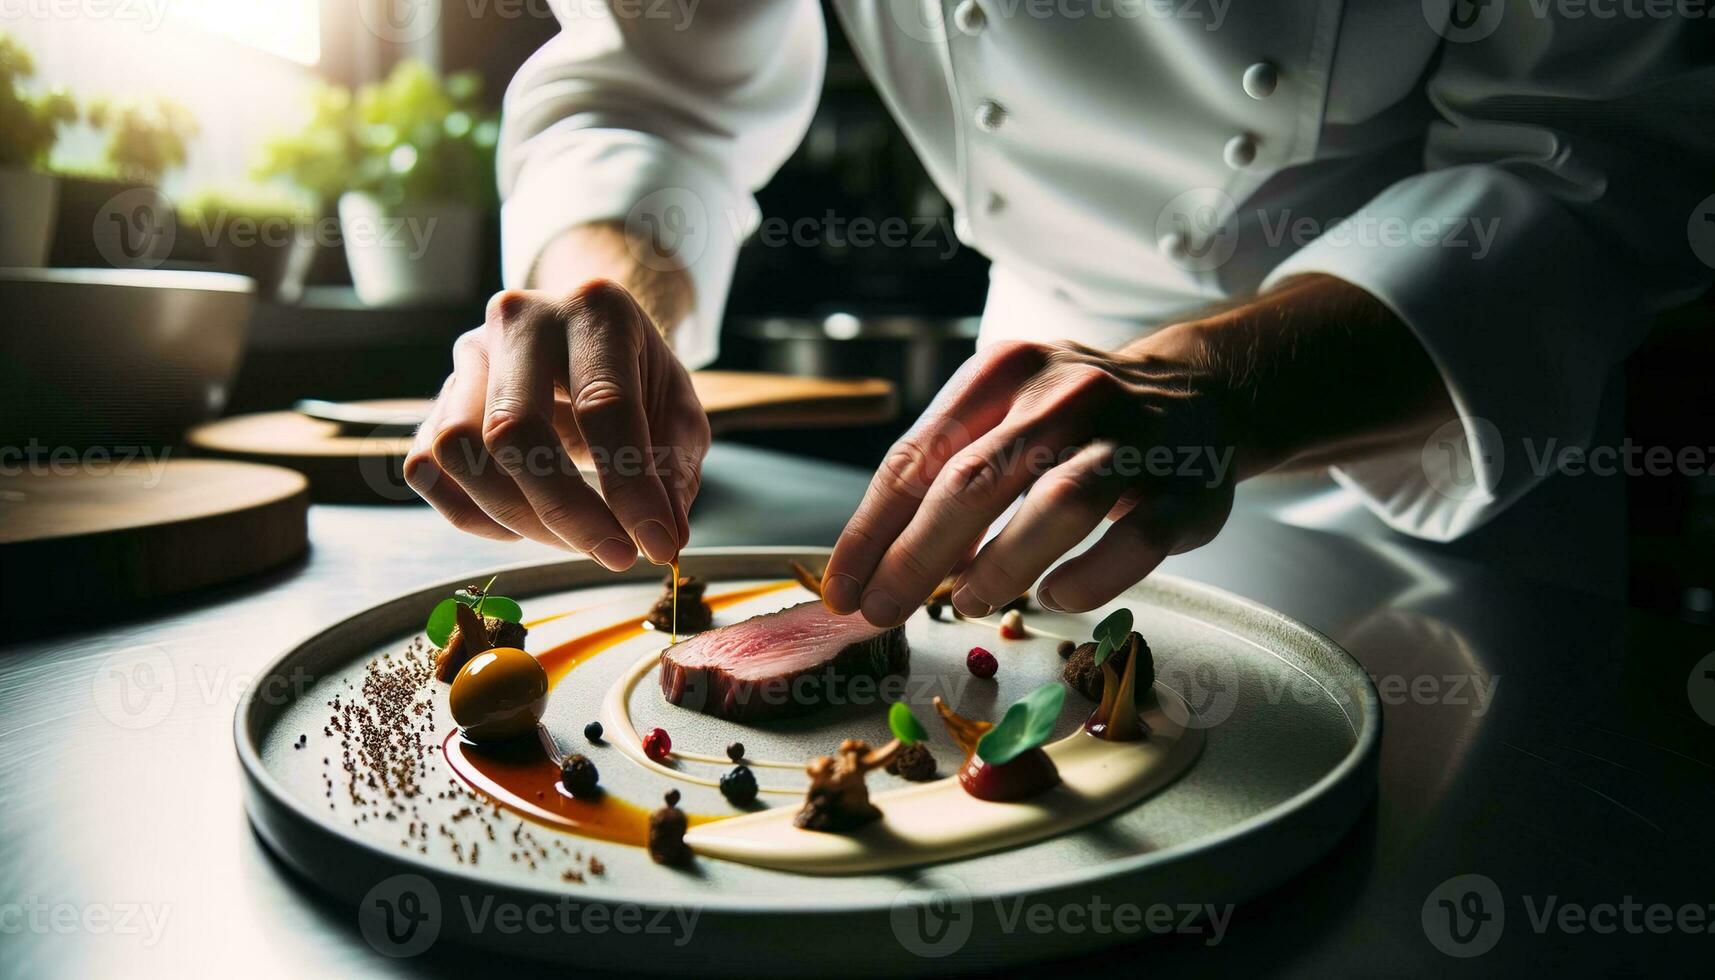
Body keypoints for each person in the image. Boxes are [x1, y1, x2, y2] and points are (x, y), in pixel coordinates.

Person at [405, 2, 1712, 622]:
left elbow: (1592, 162)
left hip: (1425, 445)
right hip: (1012, 479)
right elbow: (655, 83)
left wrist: (1216, 386)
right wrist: (604, 295)